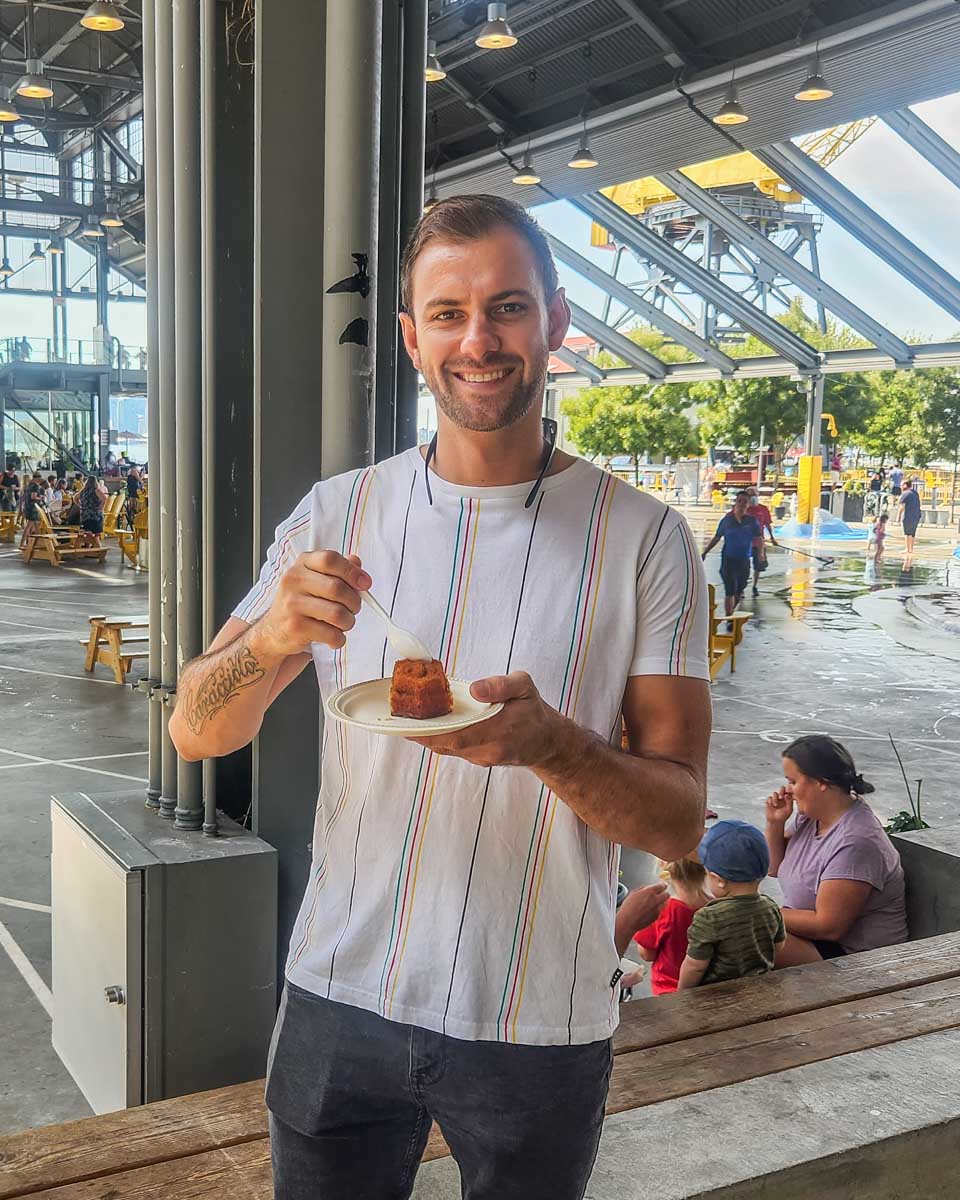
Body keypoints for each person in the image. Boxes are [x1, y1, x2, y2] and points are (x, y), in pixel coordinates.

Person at [168, 193, 712, 1200]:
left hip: (539, 1015)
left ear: (554, 320)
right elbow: (195, 728)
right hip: (340, 988)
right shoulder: (337, 514)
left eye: (508, 307)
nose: (479, 341)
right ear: (413, 338)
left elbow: (680, 818)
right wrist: (275, 634)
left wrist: (554, 746)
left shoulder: (645, 538)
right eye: (449, 314)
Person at [765, 735, 908, 965]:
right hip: (815, 942)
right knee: (726, 929)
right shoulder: (812, 816)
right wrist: (775, 823)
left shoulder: (856, 841)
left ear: (821, 782)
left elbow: (828, 927)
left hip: (857, 959)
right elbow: (774, 867)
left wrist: (760, 912)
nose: (787, 791)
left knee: (740, 939)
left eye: (793, 781)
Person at [677, 820, 785, 990]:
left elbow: (695, 966)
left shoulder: (709, 917)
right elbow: (778, 946)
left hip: (717, 996)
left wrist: (681, 995)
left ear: (719, 880)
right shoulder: (770, 907)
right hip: (760, 990)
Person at [620, 854, 711, 995]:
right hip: (708, 987)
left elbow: (647, 954)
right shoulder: (716, 906)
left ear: (664, 864)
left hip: (668, 990)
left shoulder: (662, 909)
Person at [701, 490, 762, 615]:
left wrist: (761, 554)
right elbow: (717, 537)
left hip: (744, 560)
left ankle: (732, 611)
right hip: (728, 559)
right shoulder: (727, 521)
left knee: (739, 589)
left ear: (748, 504)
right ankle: (728, 616)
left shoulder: (752, 521)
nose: (742, 504)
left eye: (745, 502)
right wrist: (705, 552)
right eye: (739, 501)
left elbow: (759, 538)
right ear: (735, 502)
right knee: (730, 589)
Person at [744, 486, 778, 597]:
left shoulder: (763, 509)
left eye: (754, 494)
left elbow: (767, 524)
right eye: (750, 495)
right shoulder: (742, 509)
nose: (752, 497)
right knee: (744, 566)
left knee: (758, 566)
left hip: (758, 543)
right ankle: (741, 587)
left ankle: (754, 586)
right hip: (744, 543)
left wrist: (772, 538)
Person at [77, 473, 106, 546]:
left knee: (87, 533)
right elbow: (104, 498)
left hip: (85, 515)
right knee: (96, 535)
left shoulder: (83, 491)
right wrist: (101, 507)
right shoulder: (96, 490)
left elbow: (74, 498)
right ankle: (98, 548)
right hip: (95, 515)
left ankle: (87, 548)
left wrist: (81, 505)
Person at [896, 478, 922, 554]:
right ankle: (911, 549)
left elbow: (902, 506)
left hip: (908, 515)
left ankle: (907, 549)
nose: (900, 487)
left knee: (907, 533)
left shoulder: (905, 494)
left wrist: (898, 517)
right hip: (916, 515)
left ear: (905, 485)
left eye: (901, 485)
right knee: (912, 533)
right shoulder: (915, 493)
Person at [19, 473, 44, 547]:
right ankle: (23, 543)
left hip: (28, 507)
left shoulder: (29, 486)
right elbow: (33, 497)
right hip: (33, 509)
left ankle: (35, 543)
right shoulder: (35, 486)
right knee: (29, 526)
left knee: (36, 527)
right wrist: (41, 498)